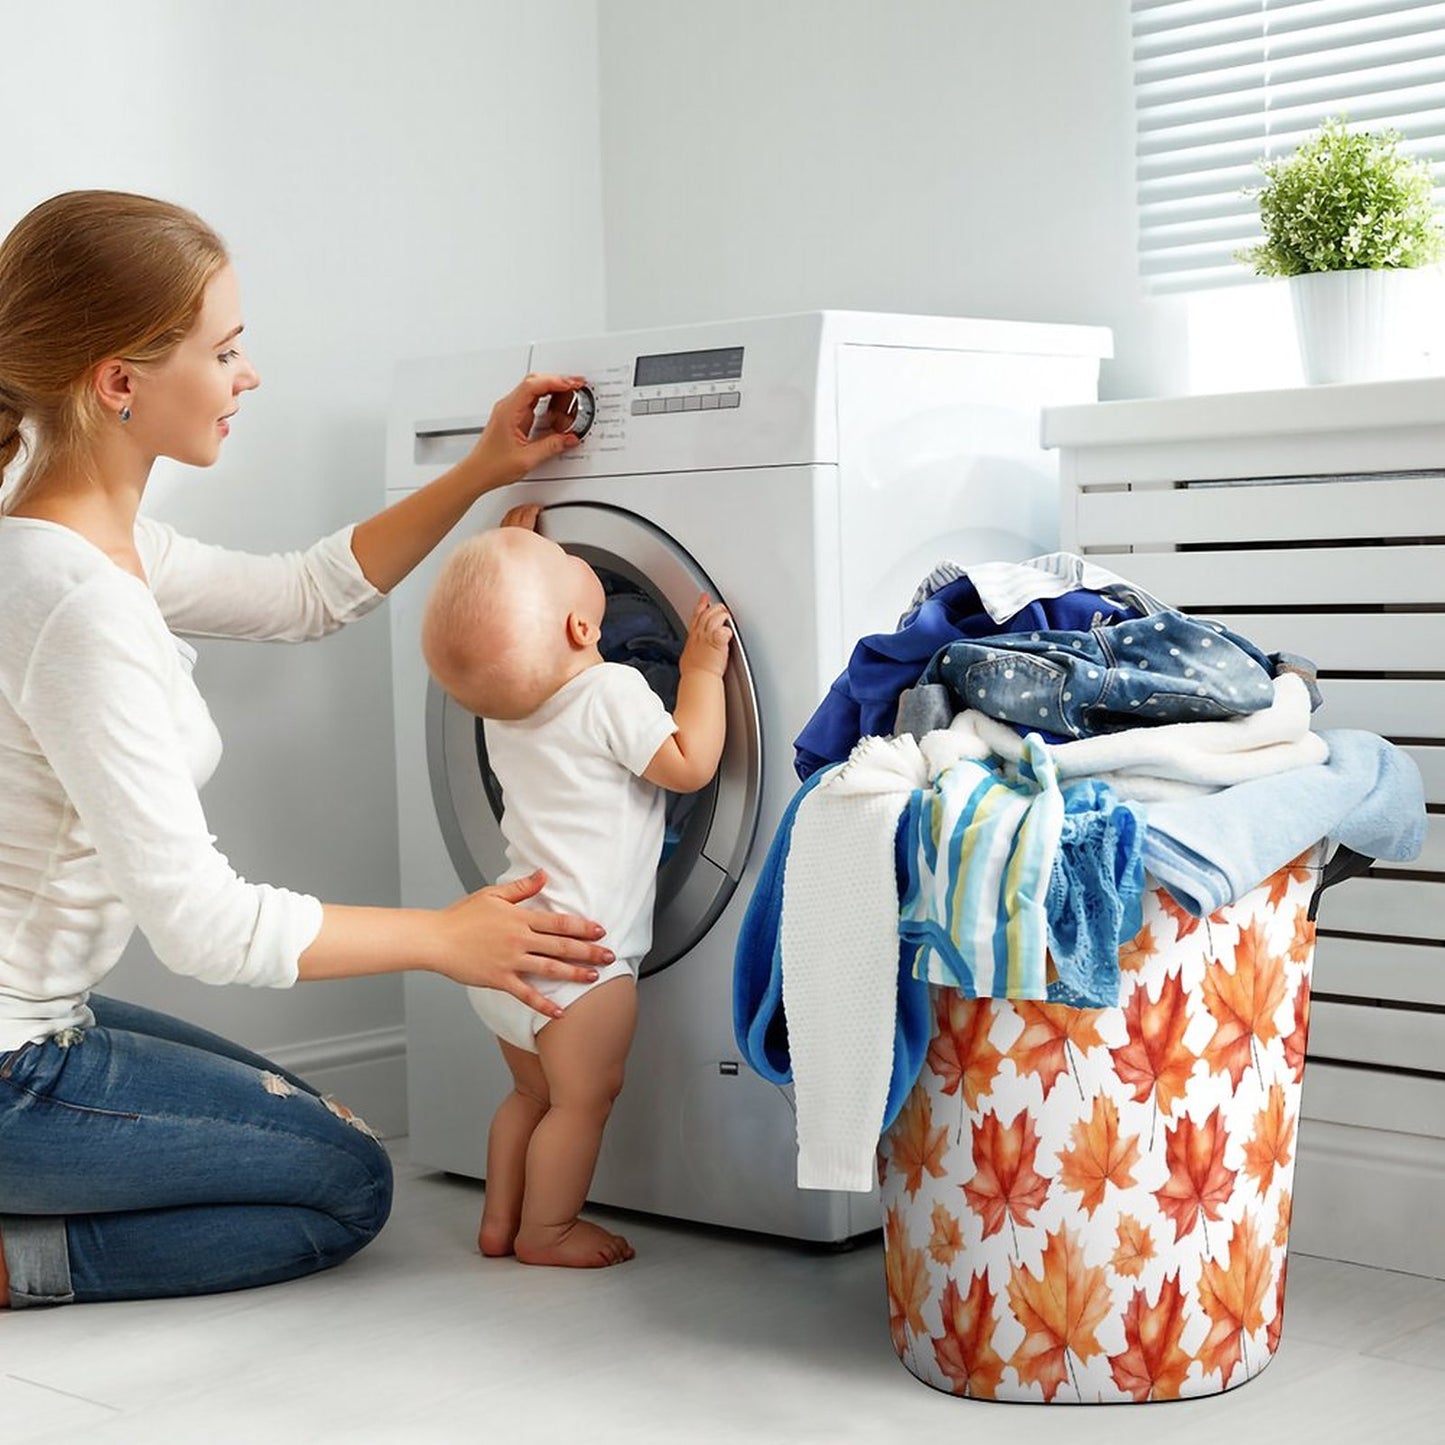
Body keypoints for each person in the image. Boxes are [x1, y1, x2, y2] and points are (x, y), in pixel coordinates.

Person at [0, 189, 617, 1309]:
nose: (251, 376)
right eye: (225, 350)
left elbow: (305, 593)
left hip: (37, 1017)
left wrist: (484, 467)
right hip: (13, 1067)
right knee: (343, 1182)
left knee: (307, 1121)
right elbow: (203, 922)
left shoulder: (77, 538)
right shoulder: (76, 602)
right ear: (119, 381)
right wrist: (445, 937)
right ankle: (18, 1257)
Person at [421, 519, 731, 1267]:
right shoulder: (612, 689)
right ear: (583, 625)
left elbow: (503, 643)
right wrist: (697, 672)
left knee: (528, 1098)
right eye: (565, 558)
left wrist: (511, 558)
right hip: (582, 963)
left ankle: (498, 1220)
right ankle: (547, 1229)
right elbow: (687, 764)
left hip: (510, 945)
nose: (571, 552)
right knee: (581, 1103)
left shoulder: (502, 709)